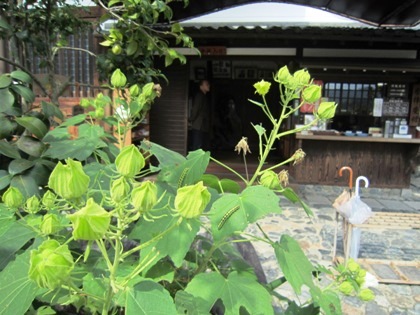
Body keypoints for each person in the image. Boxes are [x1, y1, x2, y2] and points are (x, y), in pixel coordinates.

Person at [189, 79, 211, 151]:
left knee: (200, 145)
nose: (208, 85)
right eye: (206, 84)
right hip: (198, 125)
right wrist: (191, 119)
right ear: (201, 86)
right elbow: (195, 109)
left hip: (202, 125)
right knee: (197, 146)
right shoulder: (199, 95)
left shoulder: (204, 96)